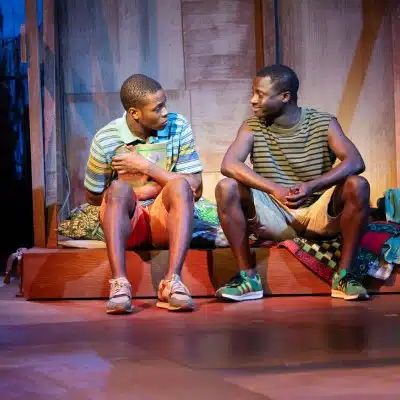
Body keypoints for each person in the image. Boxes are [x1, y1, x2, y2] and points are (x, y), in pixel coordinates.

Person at [215, 64, 370, 302]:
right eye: (253, 93)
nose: (253, 100)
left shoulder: (323, 122)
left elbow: (355, 161)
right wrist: (275, 189)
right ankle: (249, 278)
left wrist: (312, 186)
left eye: (260, 94)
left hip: (318, 213)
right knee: (227, 187)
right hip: (275, 215)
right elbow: (229, 164)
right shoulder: (252, 126)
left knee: (358, 184)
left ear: (285, 96)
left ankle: (344, 276)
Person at [84, 74, 203, 314]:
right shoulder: (106, 139)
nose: (165, 112)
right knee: (118, 189)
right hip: (129, 222)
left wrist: (146, 168)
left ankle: (172, 282)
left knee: (180, 186)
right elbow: (93, 196)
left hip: (165, 220)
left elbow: (196, 187)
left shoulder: (178, 126)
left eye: (165, 104)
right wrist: (133, 192)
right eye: (157, 108)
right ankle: (120, 284)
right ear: (135, 113)